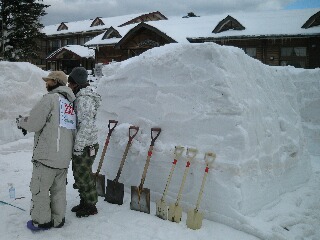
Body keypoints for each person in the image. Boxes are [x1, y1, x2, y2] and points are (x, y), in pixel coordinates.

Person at [16, 71, 76, 229]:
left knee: (40, 190)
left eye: (48, 81)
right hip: (63, 158)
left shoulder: (50, 99)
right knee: (59, 191)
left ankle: (42, 221)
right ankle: (58, 220)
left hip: (47, 156)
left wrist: (22, 122)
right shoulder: (70, 103)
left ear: (56, 81)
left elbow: (34, 123)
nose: (46, 83)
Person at [67, 67, 101, 218]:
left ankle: (91, 205)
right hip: (87, 143)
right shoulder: (81, 97)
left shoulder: (84, 100)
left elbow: (86, 124)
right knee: (80, 175)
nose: (69, 86)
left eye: (70, 83)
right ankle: (84, 201)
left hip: (86, 145)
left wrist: (78, 147)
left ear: (76, 84)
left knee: (84, 176)